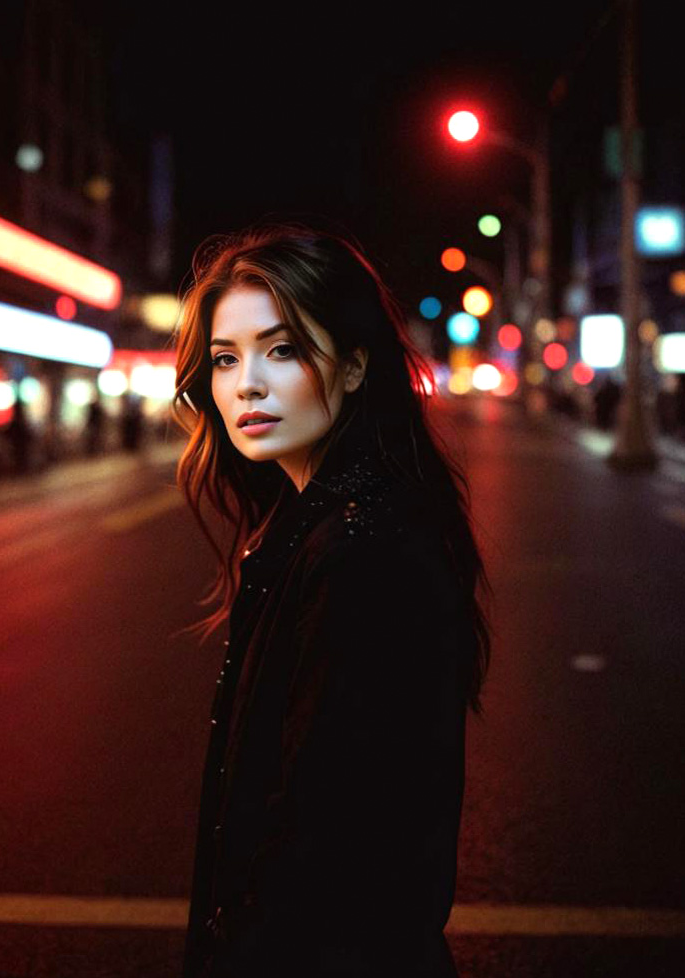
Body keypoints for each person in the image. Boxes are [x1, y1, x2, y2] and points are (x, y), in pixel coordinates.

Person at [170, 221, 494, 977]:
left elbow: (328, 845)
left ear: (353, 367)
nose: (246, 382)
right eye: (225, 358)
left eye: (281, 350)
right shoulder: (318, 526)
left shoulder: (363, 551)